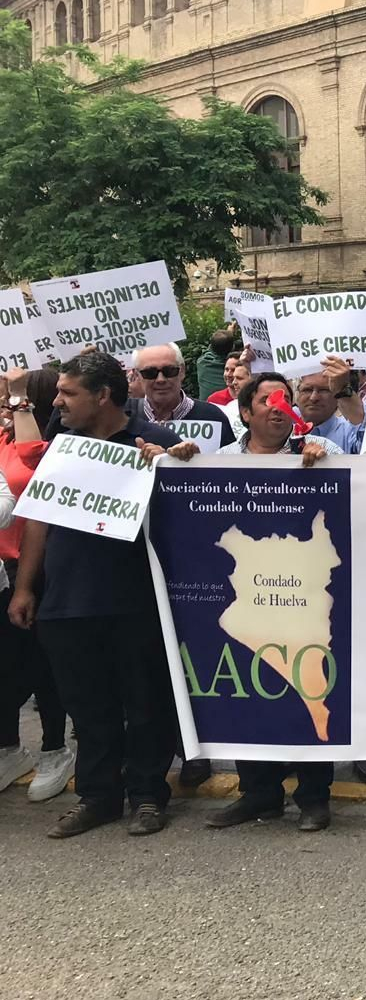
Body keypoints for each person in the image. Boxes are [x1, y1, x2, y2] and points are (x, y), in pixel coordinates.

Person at [155, 372, 340, 830]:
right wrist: (180, 464)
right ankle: (259, 794)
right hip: (246, 601)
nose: (278, 407)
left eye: (285, 399)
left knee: (308, 688)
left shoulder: (321, 453)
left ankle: (314, 798)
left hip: (304, 600)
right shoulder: (220, 460)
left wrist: (324, 463)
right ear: (245, 413)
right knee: (246, 692)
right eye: (266, 399)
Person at [7, 352, 181, 839]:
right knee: (89, 706)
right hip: (68, 602)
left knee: (146, 703)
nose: (58, 401)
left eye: (68, 393)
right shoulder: (62, 446)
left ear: (102, 396)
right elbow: (38, 517)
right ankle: (98, 797)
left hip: (135, 601)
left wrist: (174, 462)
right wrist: (25, 587)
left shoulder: (156, 443)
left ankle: (147, 795)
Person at [0, 366, 72, 802]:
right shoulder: (4, 437)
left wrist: (18, 396)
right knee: (7, 667)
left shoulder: (52, 445)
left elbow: (31, 466)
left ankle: (55, 749)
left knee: (45, 666)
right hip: (7, 569)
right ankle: (10, 747)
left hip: (42, 566)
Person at [132, 344, 235, 439]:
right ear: (136, 376)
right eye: (150, 373)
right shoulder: (122, 419)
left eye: (169, 371)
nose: (160, 379)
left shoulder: (213, 417)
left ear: (182, 371)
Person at [296, 356, 366, 454]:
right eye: (307, 390)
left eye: (324, 390)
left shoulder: (350, 434)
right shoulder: (282, 432)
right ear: (297, 394)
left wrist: (343, 387)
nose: (313, 397)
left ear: (337, 396)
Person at [196, 326, 236, 401]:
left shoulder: (202, 362)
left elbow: (211, 348)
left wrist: (229, 333)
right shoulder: (237, 368)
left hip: (206, 408)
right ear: (232, 348)